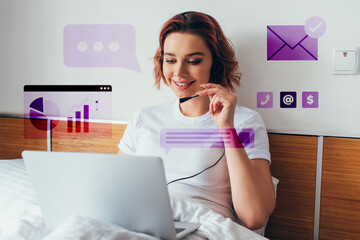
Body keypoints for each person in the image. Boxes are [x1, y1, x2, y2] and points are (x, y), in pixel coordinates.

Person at [118, 11, 275, 231]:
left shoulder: (245, 122)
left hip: (202, 230)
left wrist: (226, 128)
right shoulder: (144, 118)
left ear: (215, 63)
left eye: (193, 61)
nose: (179, 72)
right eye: (170, 60)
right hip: (140, 226)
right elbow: (114, 190)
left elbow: (255, 216)